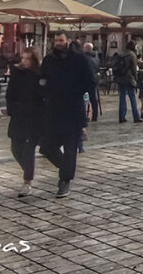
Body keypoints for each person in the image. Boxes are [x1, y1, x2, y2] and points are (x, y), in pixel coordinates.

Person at [39, 32, 97, 198]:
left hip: (73, 109)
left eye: (61, 40)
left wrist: (78, 94)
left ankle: (65, 181)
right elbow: (42, 79)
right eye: (56, 40)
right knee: (47, 147)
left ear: (68, 41)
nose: (58, 43)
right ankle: (66, 167)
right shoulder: (49, 60)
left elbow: (90, 82)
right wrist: (45, 91)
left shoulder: (79, 60)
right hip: (54, 110)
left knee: (71, 148)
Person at [6, 46, 44, 197]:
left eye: (28, 58)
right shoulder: (17, 73)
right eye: (23, 58)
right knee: (15, 149)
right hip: (18, 116)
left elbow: (44, 96)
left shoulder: (39, 75)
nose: (24, 61)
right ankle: (28, 171)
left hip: (34, 118)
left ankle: (27, 182)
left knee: (28, 150)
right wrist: (13, 109)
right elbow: (10, 94)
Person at [116, 40, 143, 123]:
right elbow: (134, 69)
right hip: (129, 78)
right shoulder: (132, 55)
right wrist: (136, 79)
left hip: (120, 78)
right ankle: (136, 117)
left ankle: (121, 117)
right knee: (132, 97)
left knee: (122, 98)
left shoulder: (121, 54)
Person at [80, 43, 100, 122]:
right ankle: (95, 115)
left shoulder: (83, 57)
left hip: (85, 80)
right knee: (93, 99)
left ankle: (83, 115)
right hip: (94, 80)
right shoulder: (96, 57)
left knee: (83, 99)